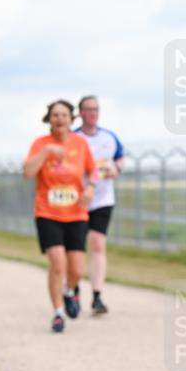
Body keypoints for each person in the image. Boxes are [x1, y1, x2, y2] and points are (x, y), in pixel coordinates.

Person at [24, 100, 98, 333]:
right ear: (49, 119)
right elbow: (27, 172)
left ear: (71, 119)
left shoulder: (80, 143)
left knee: (76, 269)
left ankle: (69, 291)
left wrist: (90, 188)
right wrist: (46, 153)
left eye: (64, 115)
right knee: (58, 263)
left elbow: (93, 171)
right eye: (55, 115)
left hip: (76, 213)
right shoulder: (40, 144)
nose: (60, 119)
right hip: (47, 212)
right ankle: (58, 313)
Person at [73, 95, 124, 315]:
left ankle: (97, 296)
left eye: (96, 109)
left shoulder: (109, 137)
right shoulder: (73, 138)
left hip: (102, 199)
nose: (92, 113)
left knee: (97, 244)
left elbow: (120, 158)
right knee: (75, 249)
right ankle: (73, 290)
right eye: (88, 109)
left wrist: (116, 169)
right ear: (81, 112)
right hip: (77, 200)